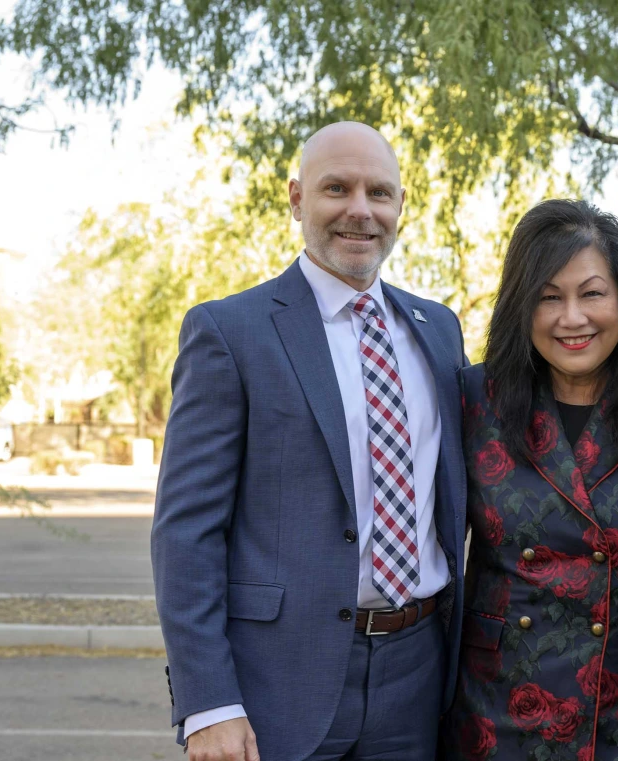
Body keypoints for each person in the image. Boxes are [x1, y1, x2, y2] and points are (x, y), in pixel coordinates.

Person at [152, 122, 469, 761]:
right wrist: (208, 700)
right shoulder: (229, 331)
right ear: (298, 200)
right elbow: (186, 533)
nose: (360, 209)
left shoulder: (438, 330)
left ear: (400, 207)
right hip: (280, 683)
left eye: (379, 192)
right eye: (337, 188)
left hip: (420, 676)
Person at [442, 199, 618, 761]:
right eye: (548, 297)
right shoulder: (471, 401)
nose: (572, 318)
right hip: (499, 708)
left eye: (592, 293)